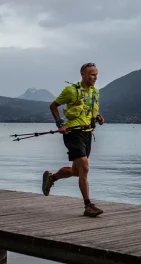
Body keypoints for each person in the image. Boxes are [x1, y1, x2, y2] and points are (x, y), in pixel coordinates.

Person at [42, 62, 105, 217]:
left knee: (78, 171)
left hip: (87, 134)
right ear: (82, 74)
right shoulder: (71, 91)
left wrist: (98, 117)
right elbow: (53, 106)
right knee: (85, 165)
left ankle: (52, 178)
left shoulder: (95, 92)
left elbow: (90, 110)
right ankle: (88, 205)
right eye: (92, 74)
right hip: (72, 133)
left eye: (96, 74)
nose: (95, 77)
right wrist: (60, 124)